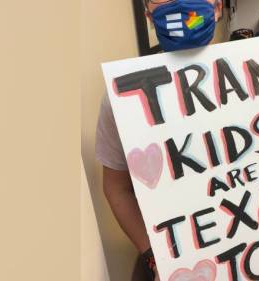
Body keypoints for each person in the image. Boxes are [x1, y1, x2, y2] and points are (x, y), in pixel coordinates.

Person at [95, 0, 223, 280]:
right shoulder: (122, 97)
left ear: (218, 7)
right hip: (174, 261)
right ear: (149, 15)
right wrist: (151, 253)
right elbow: (116, 188)